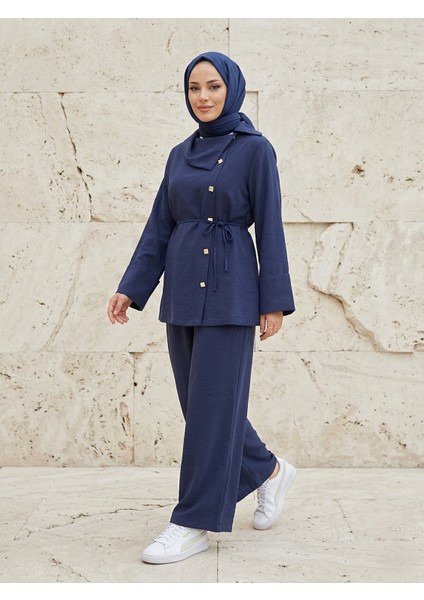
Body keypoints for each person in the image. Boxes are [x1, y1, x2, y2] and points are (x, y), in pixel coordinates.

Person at [107, 51, 297, 565]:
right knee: (202, 406)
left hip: (233, 292)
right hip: (184, 291)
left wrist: (274, 301)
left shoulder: (256, 150)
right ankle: (269, 470)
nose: (204, 96)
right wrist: (132, 287)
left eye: (214, 86)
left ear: (232, 89)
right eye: (194, 87)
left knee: (213, 408)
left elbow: (271, 225)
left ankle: (192, 521)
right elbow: (159, 226)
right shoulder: (178, 154)